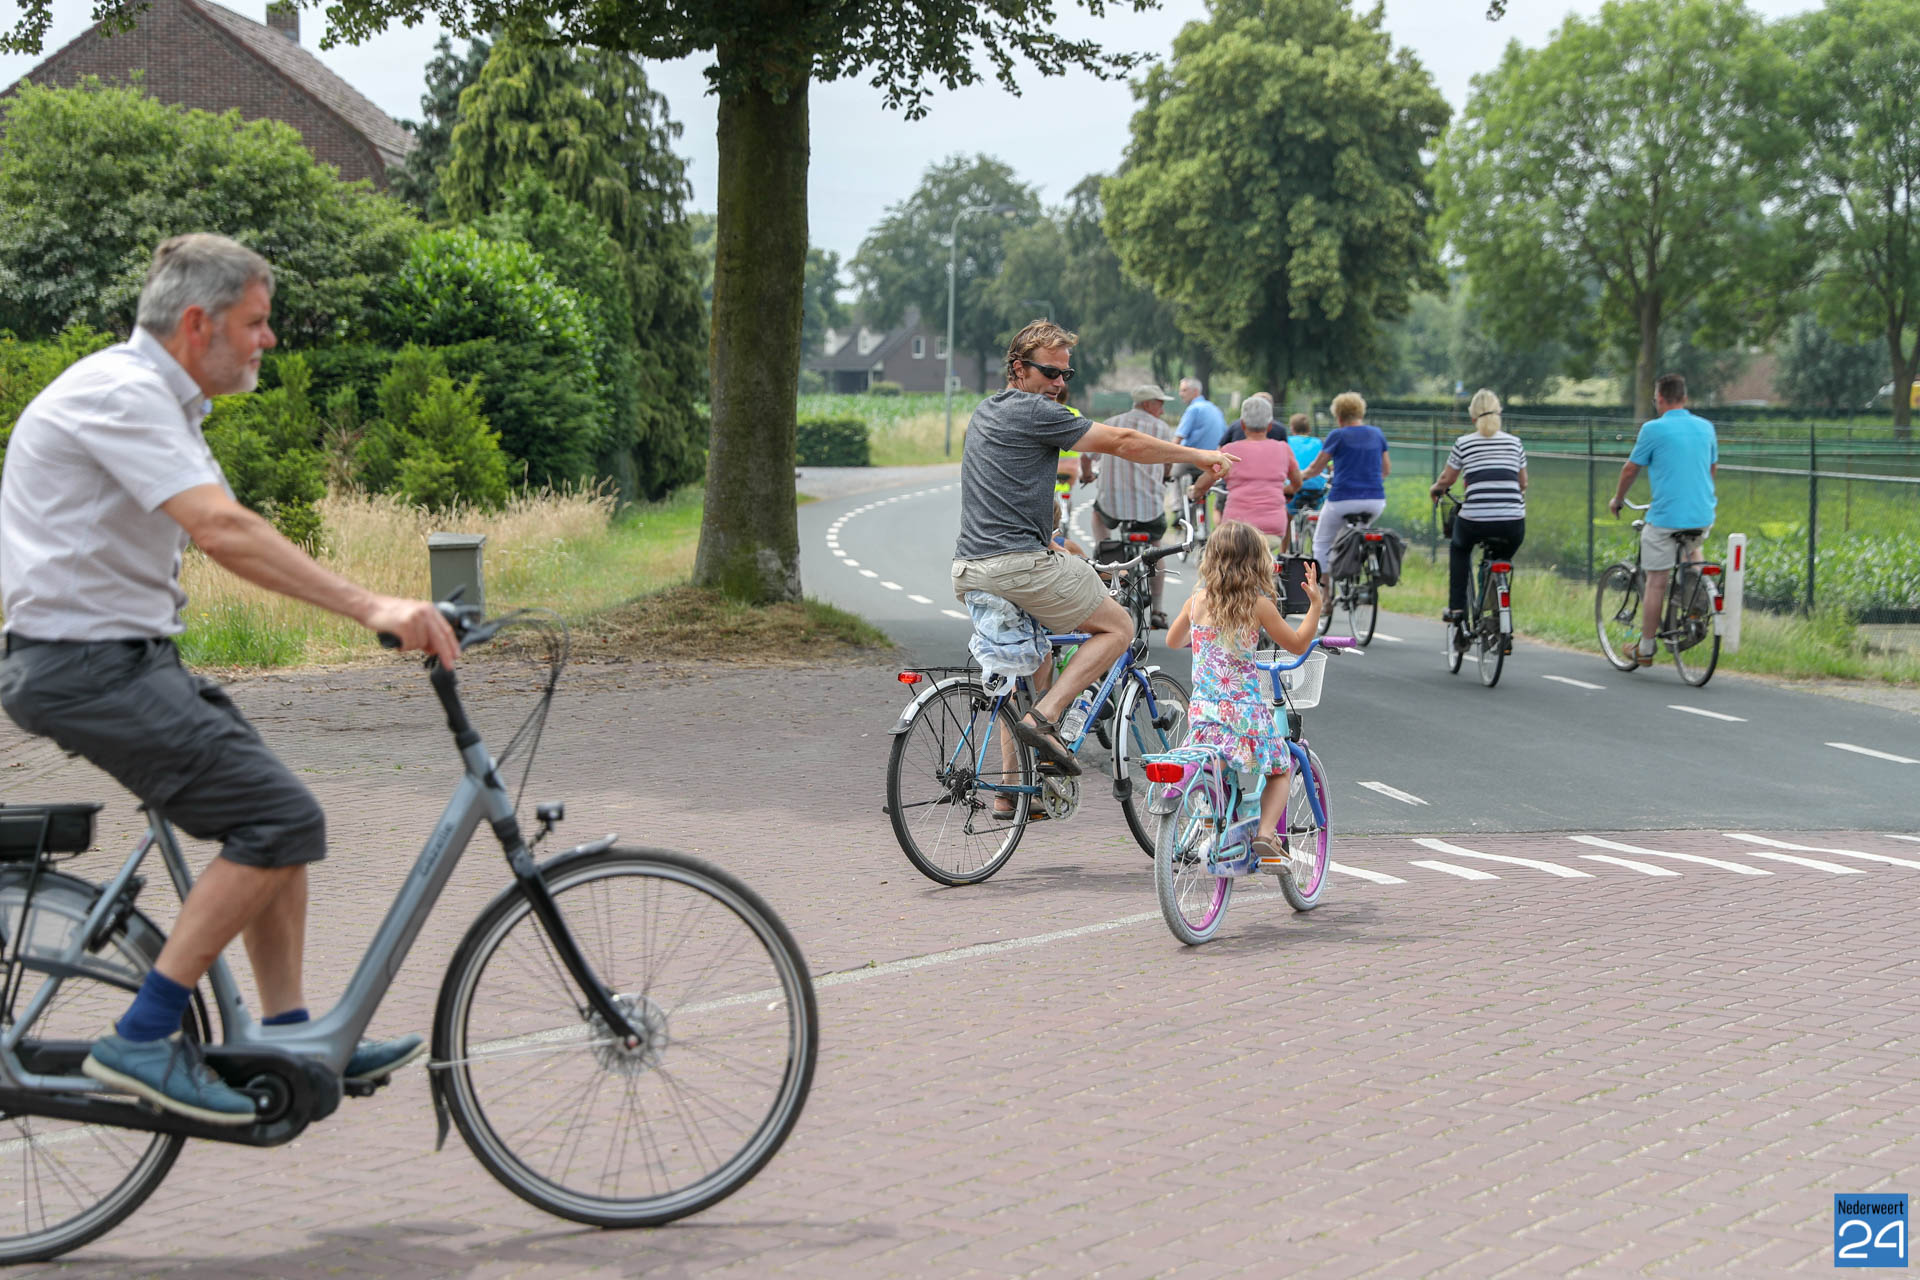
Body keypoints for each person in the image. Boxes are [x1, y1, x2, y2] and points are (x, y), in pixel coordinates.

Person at [0, 234, 457, 1125]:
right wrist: (371, 605)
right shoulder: (123, 394)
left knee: (278, 813)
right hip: (84, 666)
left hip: (123, 659)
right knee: (278, 819)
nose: (269, 340)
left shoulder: (167, 406)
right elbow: (222, 530)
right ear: (197, 323)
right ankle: (142, 1036)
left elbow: (228, 526)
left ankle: (286, 1038)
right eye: (256, 322)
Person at [952, 321, 1236, 781]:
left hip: (971, 566)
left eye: (1066, 374)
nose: (1059, 383)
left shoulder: (986, 411)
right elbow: (1122, 442)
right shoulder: (1035, 411)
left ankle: (1012, 791)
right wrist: (1199, 456)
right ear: (1018, 368)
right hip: (1018, 566)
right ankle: (1044, 721)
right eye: (1050, 372)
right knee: (1118, 627)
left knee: (1030, 664)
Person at [1165, 521, 1325, 869]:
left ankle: (1214, 815)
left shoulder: (1195, 602)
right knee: (1280, 768)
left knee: (1217, 761)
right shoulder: (1258, 606)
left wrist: (1205, 639)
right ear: (1256, 562)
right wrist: (1315, 605)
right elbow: (1298, 645)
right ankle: (1266, 834)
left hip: (1204, 711)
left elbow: (1173, 641)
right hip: (1245, 714)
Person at [1607, 372, 1717, 665]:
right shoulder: (1706, 427)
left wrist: (1618, 500)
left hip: (1667, 517)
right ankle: (1696, 604)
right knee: (1693, 549)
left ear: (1659, 399)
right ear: (1685, 398)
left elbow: (1631, 469)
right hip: (1703, 514)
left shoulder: (1653, 429)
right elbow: (1712, 469)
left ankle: (1646, 648)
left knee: (1657, 581)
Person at [1429, 388, 1528, 646]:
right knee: (1501, 558)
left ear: (1472, 417)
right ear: (1499, 413)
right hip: (1514, 522)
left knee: (1459, 548)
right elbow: (1523, 483)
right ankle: (1497, 613)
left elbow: (1447, 479)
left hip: (1475, 520)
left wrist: (1436, 489)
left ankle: (1457, 611)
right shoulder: (1514, 443)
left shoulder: (1464, 443)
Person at [1088, 383, 1178, 627]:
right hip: (1149, 509)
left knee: (1097, 515)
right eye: (1160, 404)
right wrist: (1165, 475)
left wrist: (1087, 474)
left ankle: (1105, 549)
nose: (1162, 409)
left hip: (1112, 506)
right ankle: (1158, 609)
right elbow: (1169, 460)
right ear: (1148, 404)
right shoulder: (1161, 428)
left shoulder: (1111, 424)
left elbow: (1087, 456)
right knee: (1156, 549)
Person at [1187, 395, 1298, 551]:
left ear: (1243, 425)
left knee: (1220, 558)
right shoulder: (1284, 449)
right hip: (1272, 529)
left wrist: (1195, 491)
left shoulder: (1229, 451)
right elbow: (1297, 482)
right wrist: (1284, 490)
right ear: (1270, 426)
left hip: (1236, 529)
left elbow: (1206, 481)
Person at [1298, 391, 1391, 574]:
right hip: (1375, 501)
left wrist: (1300, 476)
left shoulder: (1338, 435)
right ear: (1360, 413)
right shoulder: (1377, 434)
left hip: (1342, 500)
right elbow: (1386, 470)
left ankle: (1323, 590)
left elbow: (1316, 468)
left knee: (1322, 542)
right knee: (1360, 534)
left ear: (1339, 416)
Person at [1284, 412, 1329, 547]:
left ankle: (1282, 552)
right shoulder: (1318, 442)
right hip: (1316, 490)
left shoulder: (1287, 442)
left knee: (1286, 518)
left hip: (1295, 488)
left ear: (1292, 428)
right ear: (1309, 429)